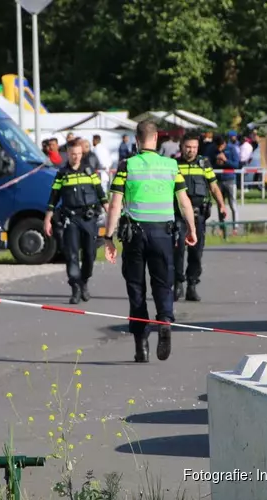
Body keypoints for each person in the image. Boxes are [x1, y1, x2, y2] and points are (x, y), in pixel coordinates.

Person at [104, 120, 197, 363]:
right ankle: (164, 321)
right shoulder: (171, 165)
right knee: (163, 282)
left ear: (136, 139)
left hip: (135, 235)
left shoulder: (128, 165)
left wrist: (108, 237)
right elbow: (184, 201)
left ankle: (141, 344)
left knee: (136, 288)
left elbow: (115, 204)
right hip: (163, 234)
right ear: (156, 139)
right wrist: (192, 228)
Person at [44, 139, 109, 304]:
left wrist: (112, 215)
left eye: (79, 154)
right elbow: (53, 197)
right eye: (73, 154)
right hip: (71, 219)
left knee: (90, 254)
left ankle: (84, 281)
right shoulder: (62, 173)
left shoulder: (89, 171)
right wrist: (48, 219)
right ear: (68, 153)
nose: (76, 157)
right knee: (71, 255)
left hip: (89, 218)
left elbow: (101, 194)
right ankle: (75, 288)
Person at [173, 132, 227, 302]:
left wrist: (221, 205)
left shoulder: (204, 164)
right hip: (178, 215)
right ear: (182, 147)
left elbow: (214, 187)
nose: (191, 150)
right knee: (178, 250)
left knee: (196, 252)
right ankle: (177, 283)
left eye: (194, 147)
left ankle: (192, 285)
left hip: (199, 215)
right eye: (188, 147)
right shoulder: (173, 164)